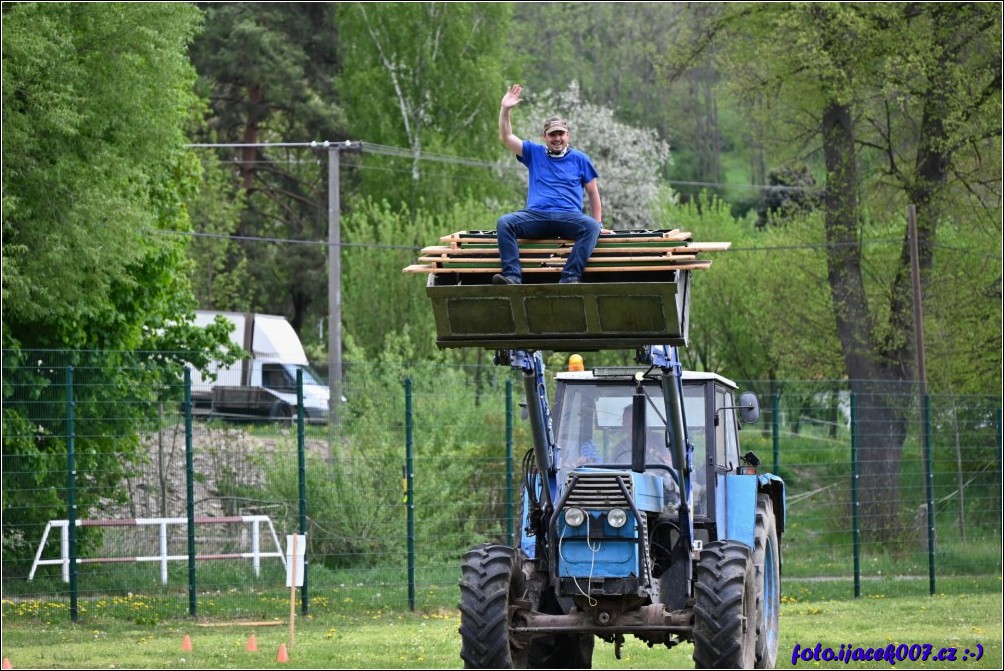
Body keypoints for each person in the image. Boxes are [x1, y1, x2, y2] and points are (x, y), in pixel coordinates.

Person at [493, 83, 608, 286]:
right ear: (545, 136)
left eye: (561, 134)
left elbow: (593, 193)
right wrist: (505, 109)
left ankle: (569, 277)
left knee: (591, 226)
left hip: (568, 217)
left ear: (568, 135)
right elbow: (507, 137)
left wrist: (598, 224)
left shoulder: (580, 159)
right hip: (537, 216)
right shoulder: (533, 152)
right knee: (505, 222)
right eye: (552, 134)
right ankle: (512, 277)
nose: (557, 138)